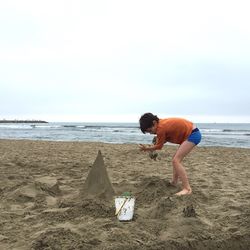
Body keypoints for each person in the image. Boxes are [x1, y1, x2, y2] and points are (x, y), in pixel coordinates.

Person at [139, 112, 202, 196]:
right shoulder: (161, 124)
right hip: (191, 133)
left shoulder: (161, 128)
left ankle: (187, 189)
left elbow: (159, 146)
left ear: (154, 123)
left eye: (150, 130)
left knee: (176, 160)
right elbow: (164, 138)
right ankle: (174, 182)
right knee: (175, 159)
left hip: (193, 135)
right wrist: (155, 143)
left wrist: (146, 149)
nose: (151, 133)